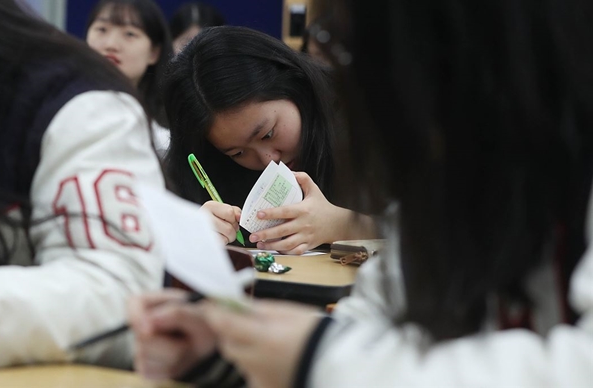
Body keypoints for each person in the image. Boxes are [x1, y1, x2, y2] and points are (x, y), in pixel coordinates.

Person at [130, 0, 593, 386]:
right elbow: (374, 321)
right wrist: (231, 350)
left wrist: (316, 356)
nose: (265, 159)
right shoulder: (455, 168)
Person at [0, 0, 166, 368]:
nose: (114, 43)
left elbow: (115, 299)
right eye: (103, 30)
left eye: (129, 34)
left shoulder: (77, 103)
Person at [164, 26, 378, 254]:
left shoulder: (367, 118)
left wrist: (344, 225)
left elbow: (417, 231)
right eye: (237, 153)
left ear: (294, 85)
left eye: (267, 134)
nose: (268, 160)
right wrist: (193, 232)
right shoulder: (211, 168)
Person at [86, 0, 173, 156]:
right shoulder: (56, 107)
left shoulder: (164, 143)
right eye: (102, 29)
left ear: (154, 53)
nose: (111, 44)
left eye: (129, 34)